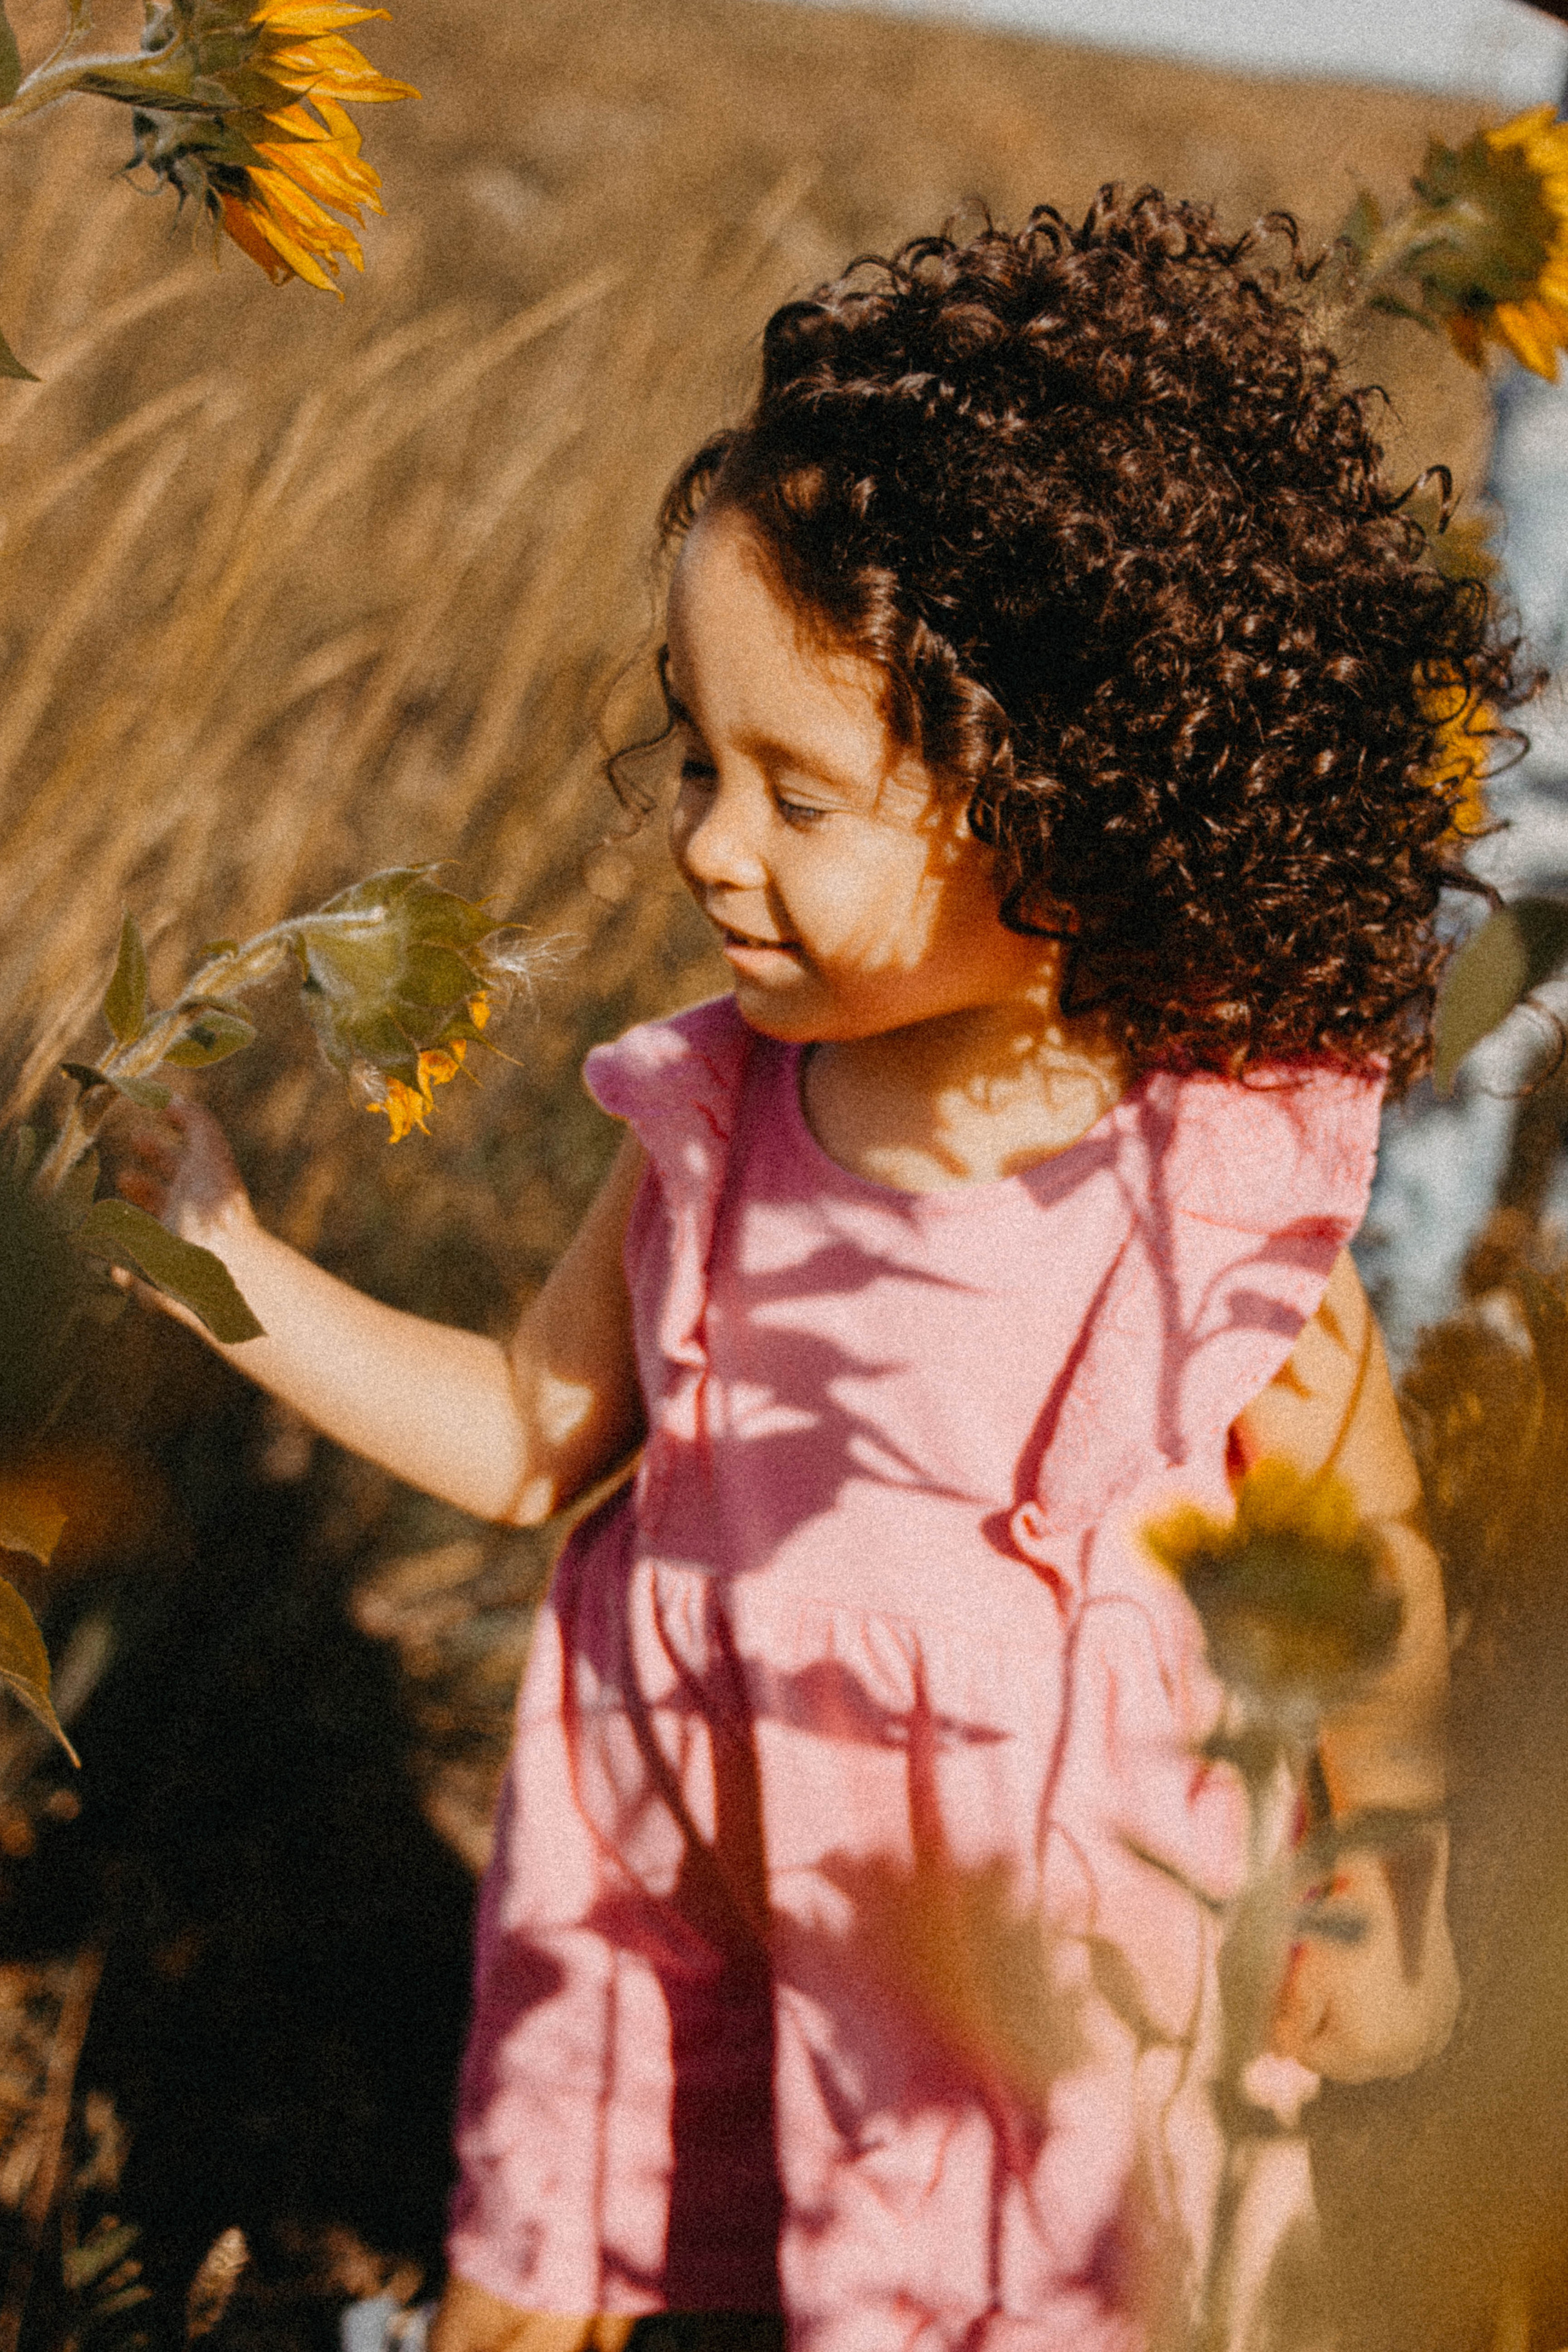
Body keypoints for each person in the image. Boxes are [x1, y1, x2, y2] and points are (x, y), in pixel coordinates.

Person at [113, 190, 1518, 2348]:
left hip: (1023, 1947)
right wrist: (221, 1252)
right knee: (576, 2282)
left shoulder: (1205, 1192)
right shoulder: (719, 1114)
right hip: (674, 1871)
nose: (703, 842)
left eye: (799, 793)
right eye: (696, 756)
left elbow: (1371, 1570)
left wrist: (1391, 1853)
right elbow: (519, 1438)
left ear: (1074, 805)